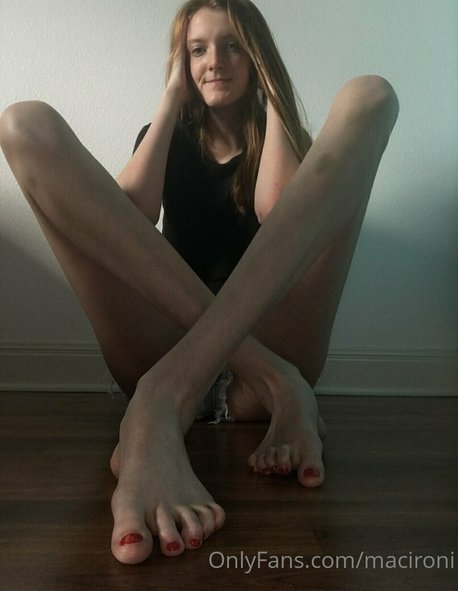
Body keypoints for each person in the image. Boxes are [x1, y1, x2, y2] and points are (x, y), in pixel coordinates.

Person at [0, 0, 398, 565]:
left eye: (234, 46)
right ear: (181, 63)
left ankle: (159, 404)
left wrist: (275, 98)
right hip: (181, 350)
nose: (216, 60)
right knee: (23, 124)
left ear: (257, 57)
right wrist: (169, 100)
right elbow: (132, 211)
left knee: (371, 96)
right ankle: (278, 385)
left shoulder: (282, 139)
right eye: (198, 49)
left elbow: (275, 208)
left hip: (270, 339)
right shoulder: (165, 135)